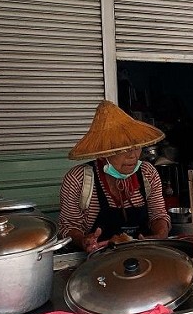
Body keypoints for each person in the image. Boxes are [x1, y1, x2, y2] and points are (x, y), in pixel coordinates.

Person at [58, 100, 170, 253]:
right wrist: (83, 240)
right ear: (104, 153)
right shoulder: (78, 178)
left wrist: (160, 234)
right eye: (122, 149)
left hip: (143, 254)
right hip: (97, 260)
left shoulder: (148, 173)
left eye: (136, 146)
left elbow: (158, 215)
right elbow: (68, 226)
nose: (132, 155)